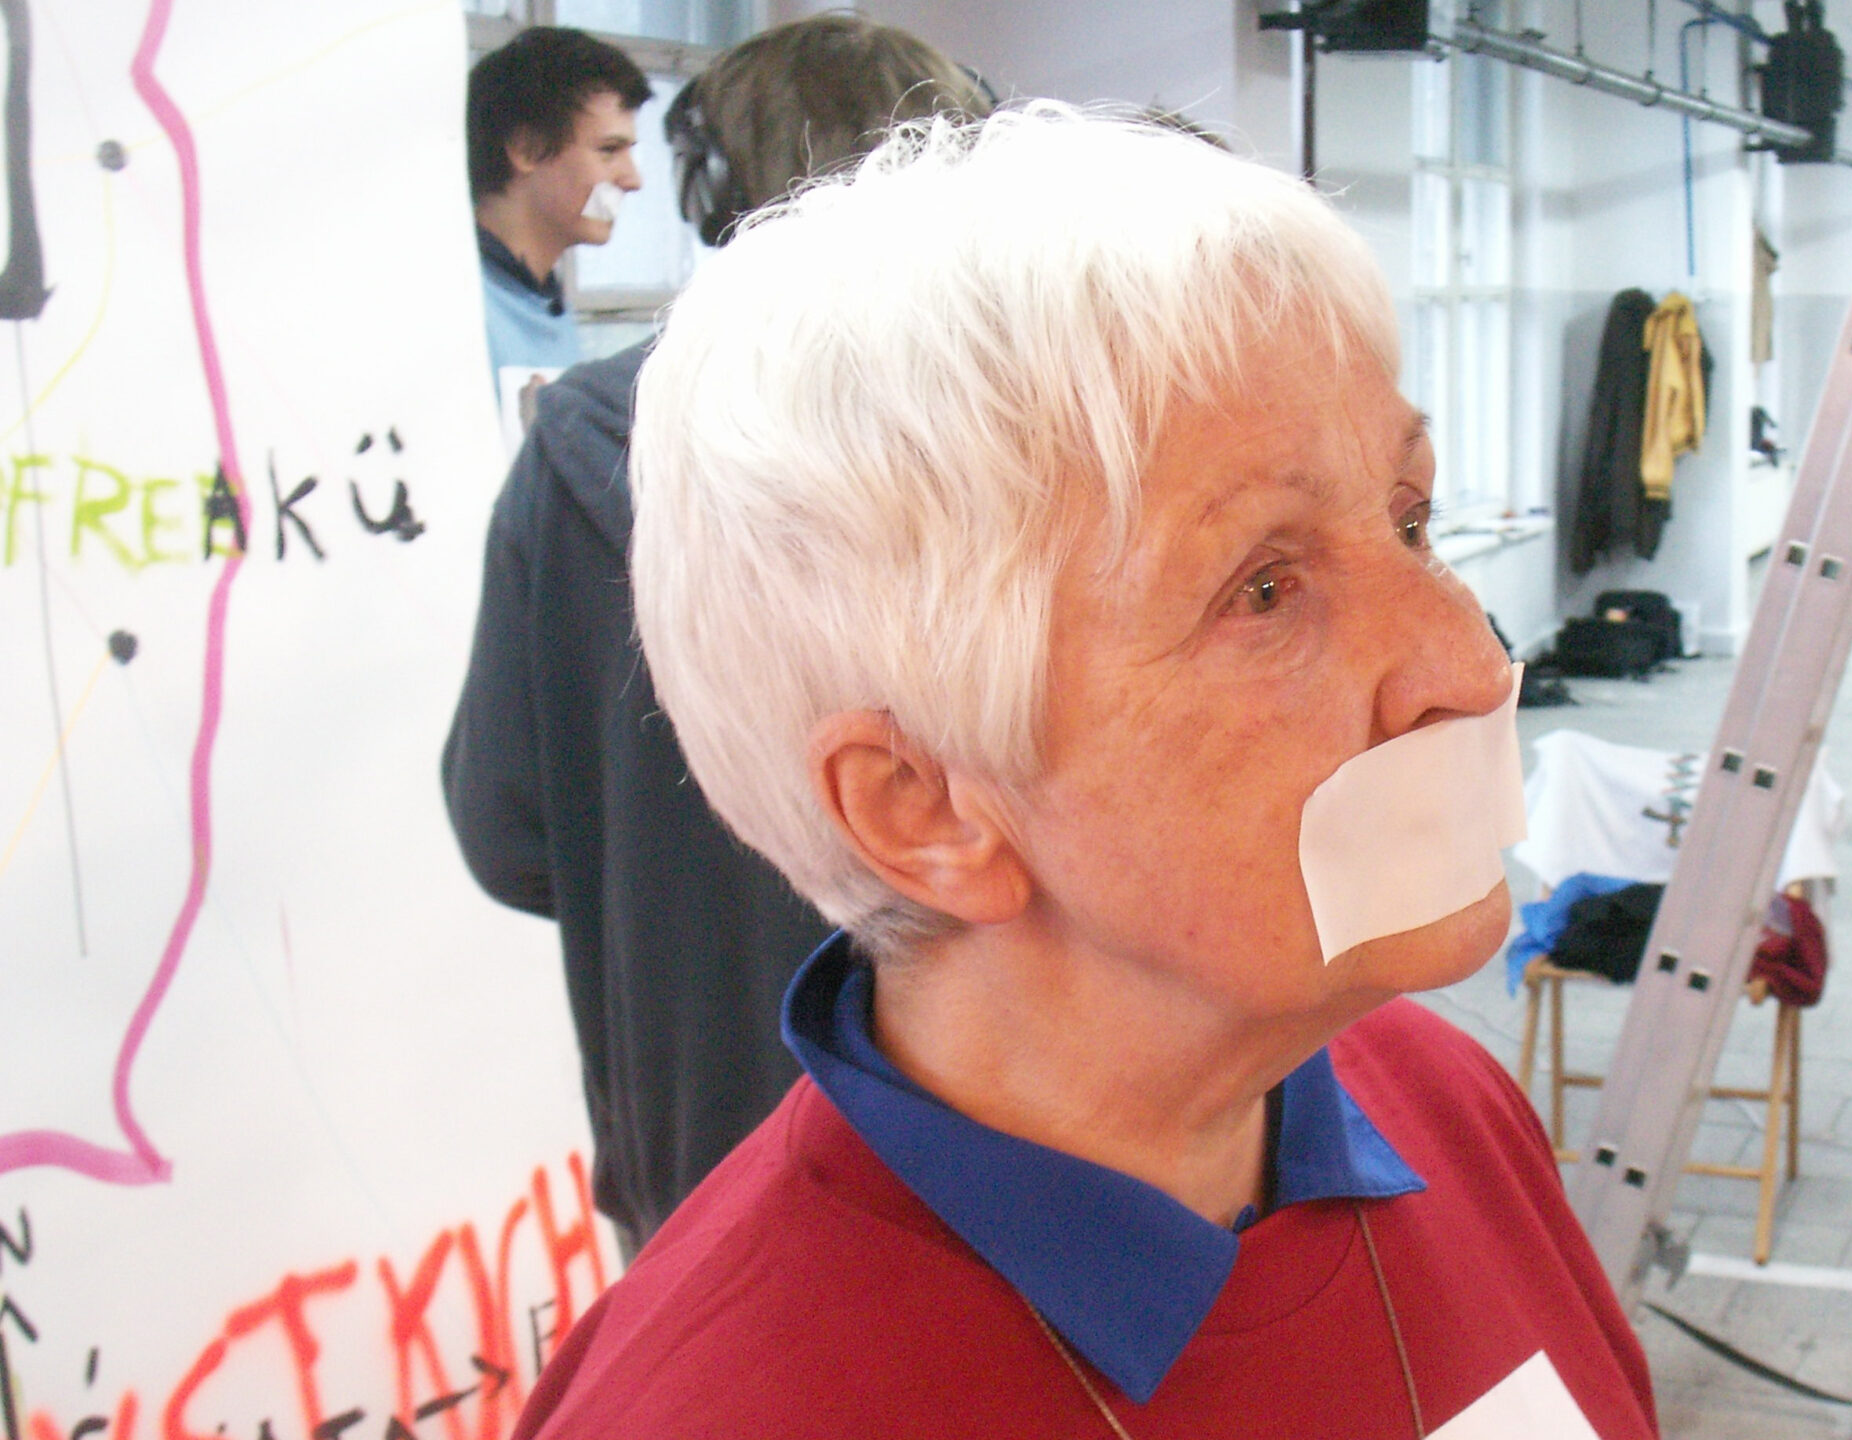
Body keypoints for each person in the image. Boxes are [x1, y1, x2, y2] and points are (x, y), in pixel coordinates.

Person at [510, 108, 1658, 1437]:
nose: (1470, 664)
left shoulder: (1440, 1107)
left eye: (1410, 520)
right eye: (1264, 589)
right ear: (925, 809)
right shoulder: (712, 1407)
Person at [441, 16, 988, 1252]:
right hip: (1018, 1156)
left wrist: (671, 874)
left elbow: (506, 832)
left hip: (706, 1159)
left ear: (718, 202)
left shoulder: (582, 450)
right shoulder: (1035, 438)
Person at [465, 27, 650, 388]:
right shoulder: (452, 311)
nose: (633, 180)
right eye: (609, 150)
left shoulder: (542, 301)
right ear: (527, 149)